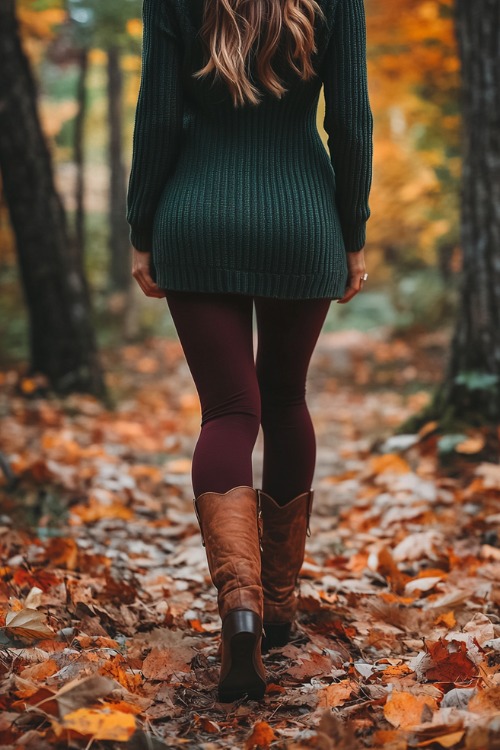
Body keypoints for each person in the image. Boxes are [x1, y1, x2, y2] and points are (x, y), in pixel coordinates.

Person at [127, 0, 373, 702]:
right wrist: (352, 229)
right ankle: (281, 605)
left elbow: (155, 118)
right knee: (286, 397)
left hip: (195, 219)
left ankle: (240, 608)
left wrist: (141, 224)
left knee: (230, 412)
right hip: (302, 222)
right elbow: (351, 123)